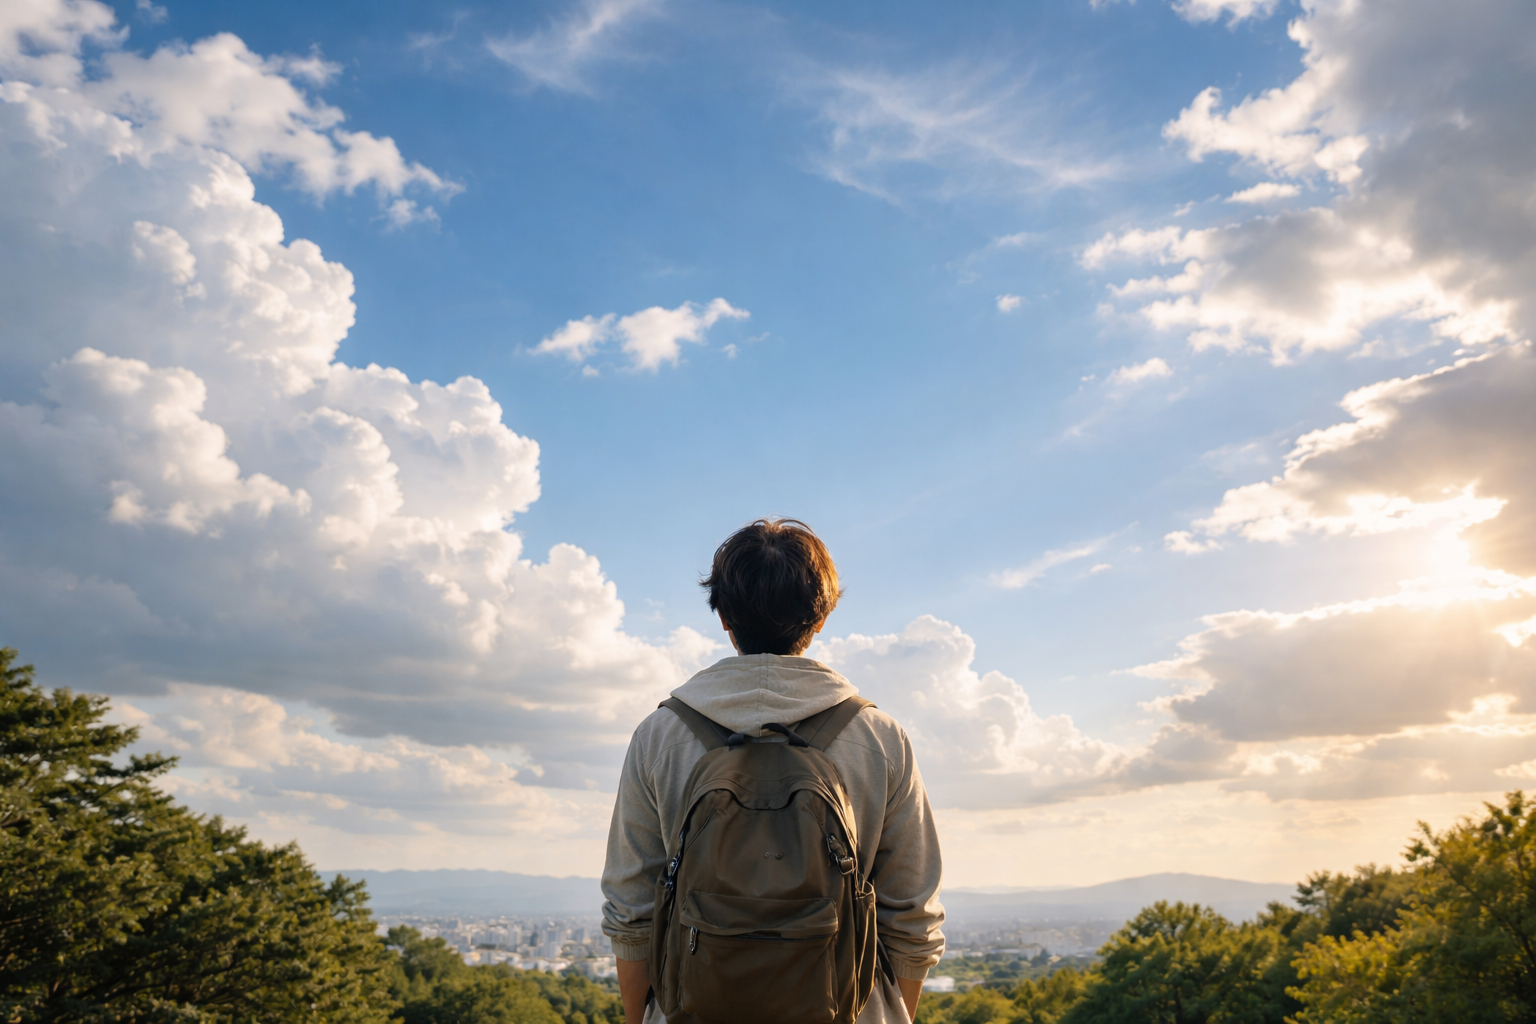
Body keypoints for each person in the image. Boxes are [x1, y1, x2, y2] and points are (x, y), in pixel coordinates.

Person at [601, 518, 945, 1024]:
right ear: (820, 617)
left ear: (723, 617)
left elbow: (631, 911)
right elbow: (913, 916)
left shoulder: (660, 735)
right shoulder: (879, 738)